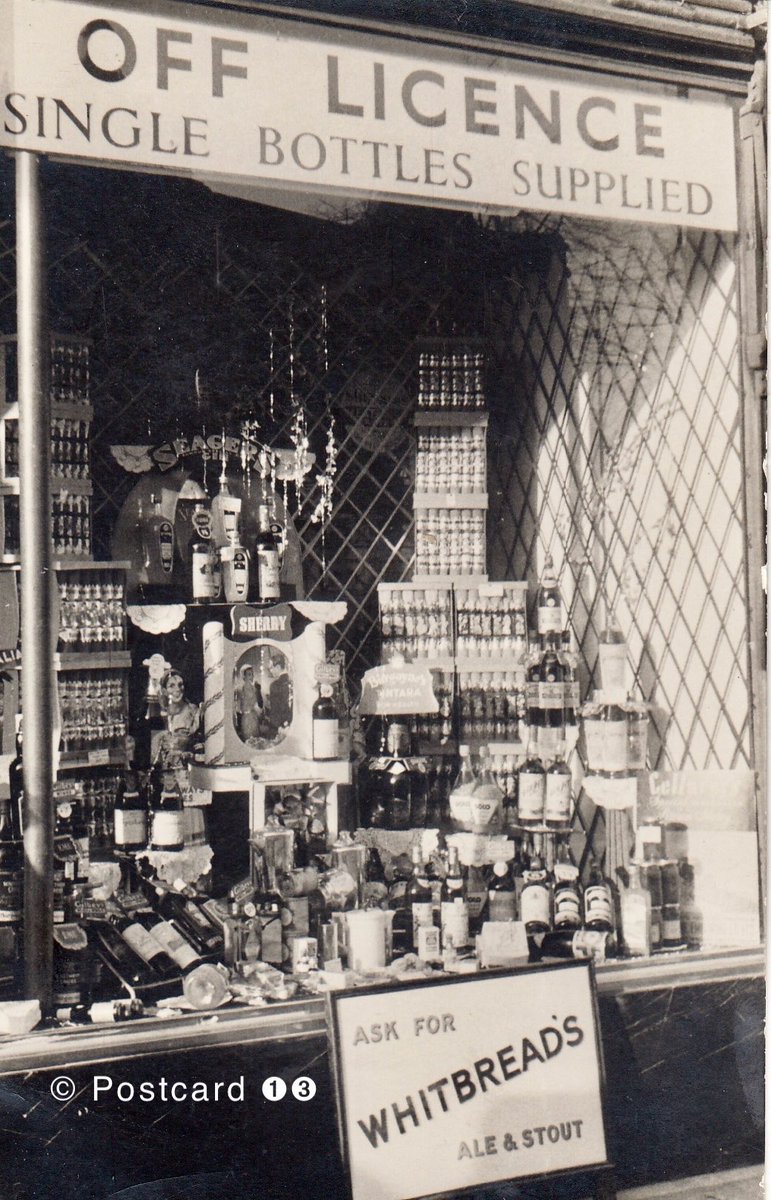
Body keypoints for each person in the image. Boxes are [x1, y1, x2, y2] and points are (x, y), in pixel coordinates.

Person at [234, 664, 263, 744]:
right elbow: (255, 705)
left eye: (252, 674)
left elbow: (258, 704)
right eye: (249, 674)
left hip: (252, 718)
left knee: (254, 742)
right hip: (248, 719)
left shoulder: (252, 687)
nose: (252, 676)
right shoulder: (243, 688)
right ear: (244, 676)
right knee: (251, 742)